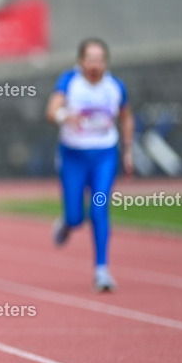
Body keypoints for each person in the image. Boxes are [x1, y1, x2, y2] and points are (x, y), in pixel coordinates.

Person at [46, 37, 134, 292]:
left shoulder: (116, 86)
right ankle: (67, 222)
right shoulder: (69, 82)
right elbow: (51, 110)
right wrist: (65, 115)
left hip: (104, 156)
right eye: (90, 59)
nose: (94, 65)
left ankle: (102, 270)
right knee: (75, 217)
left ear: (105, 62)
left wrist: (128, 151)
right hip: (73, 156)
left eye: (99, 60)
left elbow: (127, 118)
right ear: (81, 61)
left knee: (99, 209)